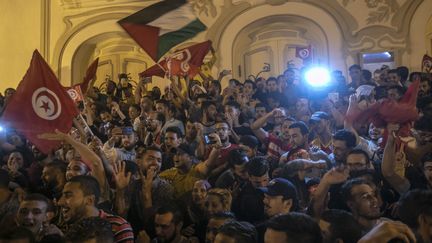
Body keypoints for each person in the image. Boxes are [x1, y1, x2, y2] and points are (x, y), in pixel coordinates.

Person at [58, 175, 134, 242]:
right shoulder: (65, 227)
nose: (60, 202)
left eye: (68, 195)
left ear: (89, 200)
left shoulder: (118, 227)